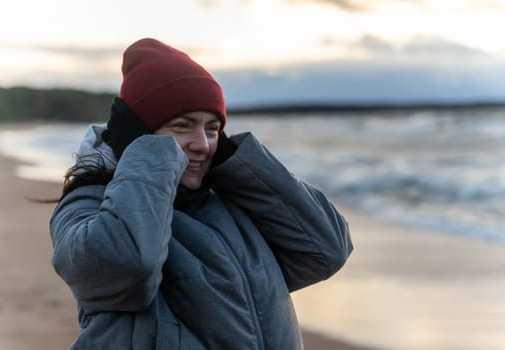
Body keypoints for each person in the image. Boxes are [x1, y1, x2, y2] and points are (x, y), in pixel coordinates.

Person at [50, 37, 353, 350]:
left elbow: (325, 251)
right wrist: (152, 156)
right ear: (138, 134)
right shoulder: (89, 202)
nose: (204, 144)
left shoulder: (231, 206)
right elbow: (126, 268)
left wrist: (236, 161)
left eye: (213, 129)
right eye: (183, 125)